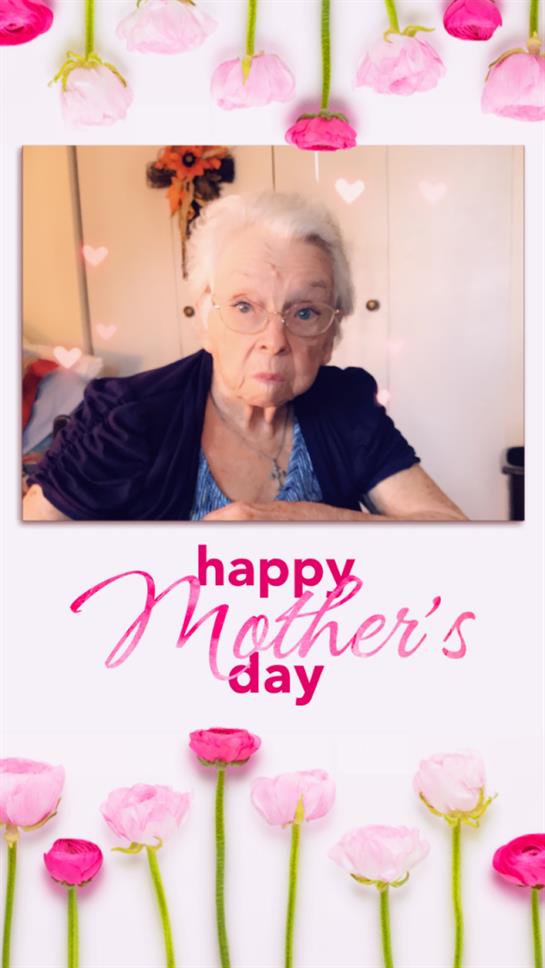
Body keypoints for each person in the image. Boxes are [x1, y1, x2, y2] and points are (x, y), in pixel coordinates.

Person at [23, 191, 466, 522]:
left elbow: (451, 533)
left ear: (331, 335)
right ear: (204, 320)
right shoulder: (126, 417)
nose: (274, 339)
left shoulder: (345, 404)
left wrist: (315, 522)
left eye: (305, 312)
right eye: (244, 307)